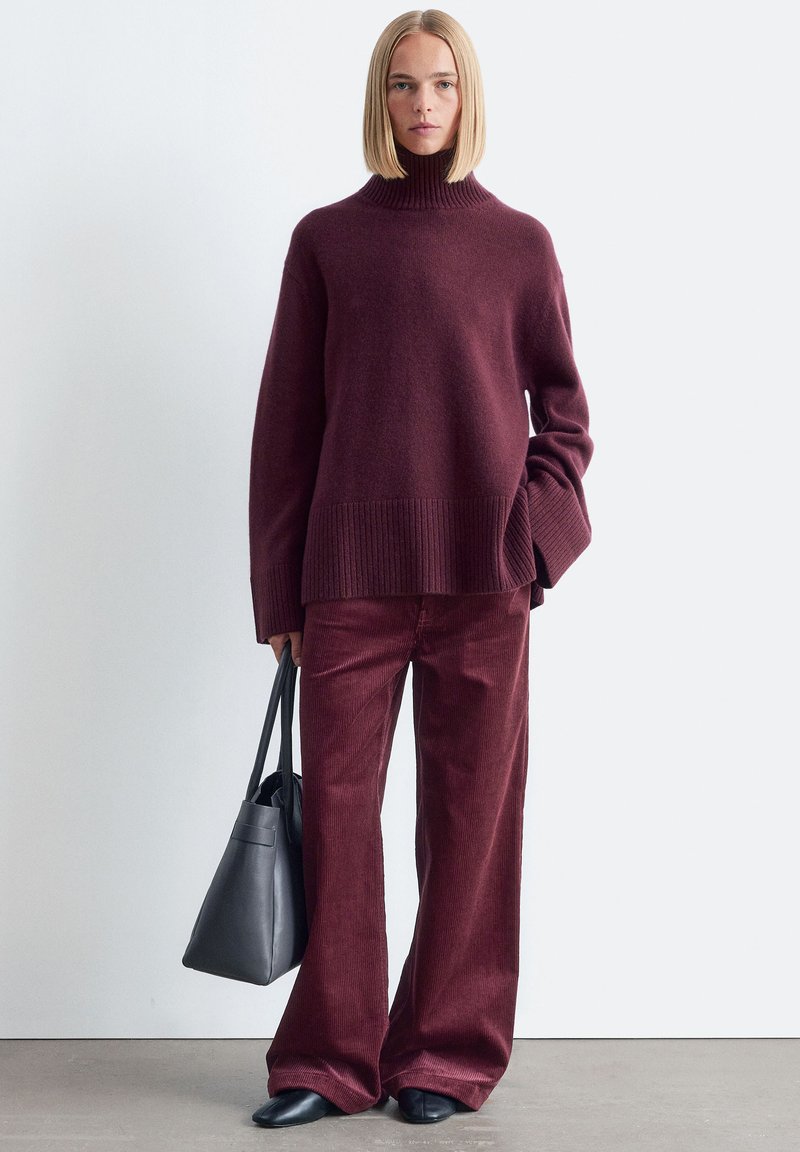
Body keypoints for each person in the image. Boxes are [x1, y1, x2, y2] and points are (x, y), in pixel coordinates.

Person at [248, 9, 593, 1130]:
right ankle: (328, 1061)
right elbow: (286, 429)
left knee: (470, 826)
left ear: (467, 95)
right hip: (348, 583)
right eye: (403, 85)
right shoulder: (325, 241)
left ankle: (442, 1055)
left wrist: (533, 544)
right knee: (340, 825)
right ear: (379, 99)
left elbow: (566, 418)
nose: (423, 104)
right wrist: (278, 592)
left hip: (483, 585)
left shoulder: (519, 244)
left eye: (441, 83)